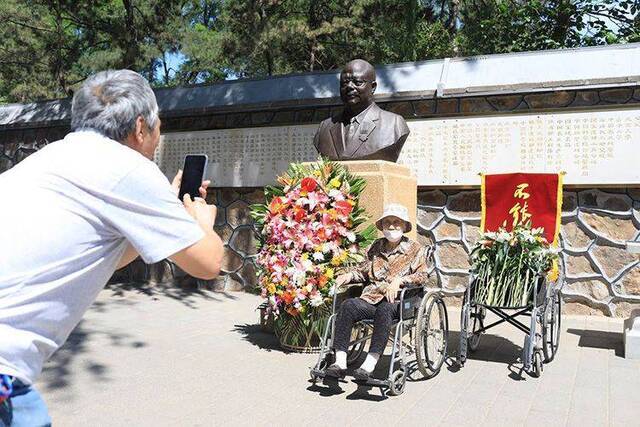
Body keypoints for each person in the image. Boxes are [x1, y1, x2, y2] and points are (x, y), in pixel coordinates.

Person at [0, 70, 223, 426]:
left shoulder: (52, 157)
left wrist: (161, 213)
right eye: (157, 128)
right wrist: (201, 222)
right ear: (139, 127)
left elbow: (111, 257)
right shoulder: (130, 167)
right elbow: (208, 262)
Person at [324, 203, 432, 381]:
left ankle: (369, 364)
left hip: (399, 302)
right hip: (371, 298)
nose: (391, 226)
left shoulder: (415, 249)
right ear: (381, 226)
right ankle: (340, 362)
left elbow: (422, 276)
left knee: (385, 310)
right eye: (387, 222)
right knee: (348, 305)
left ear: (404, 226)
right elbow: (363, 271)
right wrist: (348, 276)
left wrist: (400, 280)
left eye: (397, 222)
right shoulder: (375, 247)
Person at [313, 59, 410, 162]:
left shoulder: (394, 124)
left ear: (373, 87)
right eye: (344, 82)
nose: (349, 87)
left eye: (358, 82)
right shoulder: (325, 126)